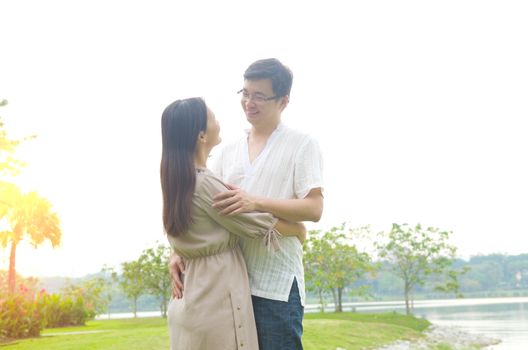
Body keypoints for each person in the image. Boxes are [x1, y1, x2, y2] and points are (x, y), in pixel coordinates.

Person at [169, 59, 324, 350]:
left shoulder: (302, 144)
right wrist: (177, 250)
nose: (249, 102)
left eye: (259, 96)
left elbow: (314, 208)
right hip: (229, 287)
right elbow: (204, 208)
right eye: (245, 93)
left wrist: (256, 202)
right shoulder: (227, 151)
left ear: (284, 101)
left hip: (274, 285)